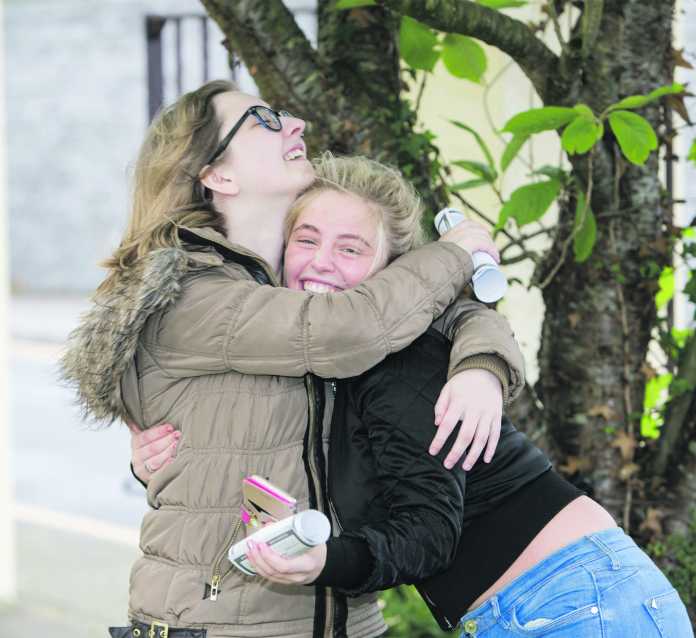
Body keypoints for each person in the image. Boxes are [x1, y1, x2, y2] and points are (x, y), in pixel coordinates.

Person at [137, 153, 693, 637]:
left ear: (394, 270)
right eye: (306, 239)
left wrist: (324, 562)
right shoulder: (327, 356)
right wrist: (156, 455)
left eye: (351, 249)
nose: (323, 261)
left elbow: (428, 534)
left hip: (576, 601)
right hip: (553, 599)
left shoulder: (398, 363)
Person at [61, 79, 526, 638]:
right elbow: (349, 329)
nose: (295, 124)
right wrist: (456, 253)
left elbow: (430, 310)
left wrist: (482, 366)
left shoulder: (289, 277)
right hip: (224, 625)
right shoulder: (189, 294)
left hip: (345, 620)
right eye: (263, 120)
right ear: (217, 174)